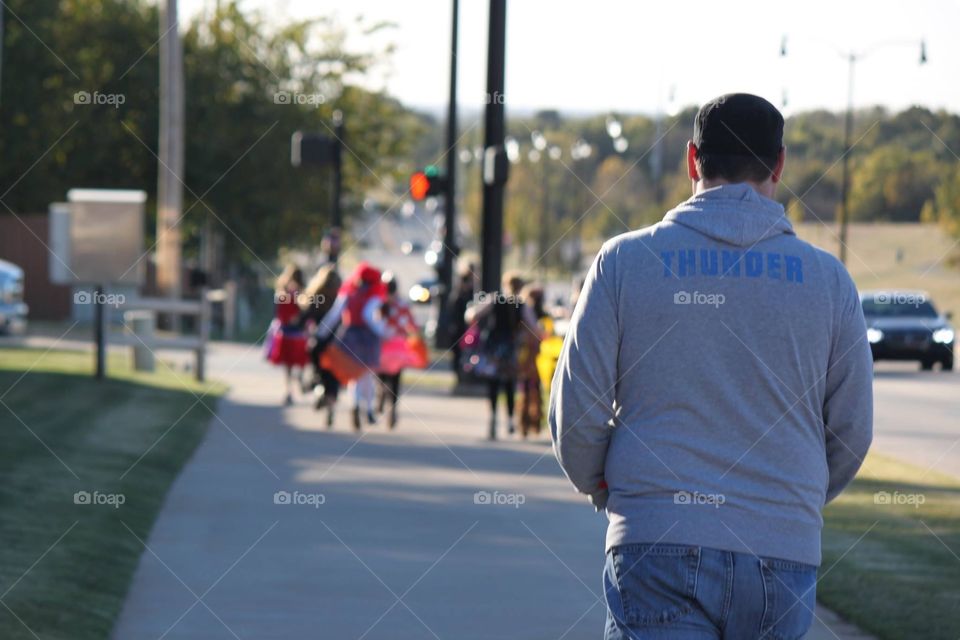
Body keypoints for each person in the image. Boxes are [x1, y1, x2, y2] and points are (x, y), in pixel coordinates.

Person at [549, 94, 873, 640]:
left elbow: (576, 413)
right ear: (778, 164)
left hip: (656, 536)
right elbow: (851, 429)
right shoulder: (829, 280)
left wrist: (612, 490)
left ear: (692, 160)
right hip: (781, 547)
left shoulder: (625, 262)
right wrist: (789, 499)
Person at [316, 262, 387, 431]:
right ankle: (368, 409)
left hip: (349, 336)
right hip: (368, 339)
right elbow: (369, 316)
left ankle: (354, 405)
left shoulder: (348, 293)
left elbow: (334, 314)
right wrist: (383, 331)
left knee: (352, 374)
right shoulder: (374, 294)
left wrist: (320, 333)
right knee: (367, 375)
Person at [467, 272, 538, 440]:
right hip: (511, 347)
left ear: (505, 284)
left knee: (493, 382)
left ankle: (492, 417)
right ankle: (510, 419)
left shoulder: (494, 299)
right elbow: (534, 327)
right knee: (509, 383)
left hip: (493, 346)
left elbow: (472, 315)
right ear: (520, 287)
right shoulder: (522, 305)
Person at [298, 263, 342, 428]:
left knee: (319, 371)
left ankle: (319, 389)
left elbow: (304, 317)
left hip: (319, 343)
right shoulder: (340, 299)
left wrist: (299, 326)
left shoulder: (316, 297)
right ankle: (331, 403)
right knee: (334, 377)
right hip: (338, 344)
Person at [376, 272, 421, 429]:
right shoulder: (402, 305)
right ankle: (392, 408)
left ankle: (382, 392)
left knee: (381, 375)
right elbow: (413, 325)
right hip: (399, 348)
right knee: (395, 380)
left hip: (382, 346)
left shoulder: (379, 304)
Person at [267, 264, 309, 405]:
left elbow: (277, 313)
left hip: (284, 333)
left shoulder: (281, 293)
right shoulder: (301, 294)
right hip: (299, 334)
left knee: (288, 365)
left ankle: (289, 391)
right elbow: (304, 314)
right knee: (301, 361)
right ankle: (299, 378)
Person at [517, 283, 549, 438]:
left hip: (533, 356)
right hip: (533, 355)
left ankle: (529, 422)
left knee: (528, 389)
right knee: (532, 389)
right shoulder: (532, 314)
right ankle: (529, 422)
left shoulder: (525, 312)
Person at [448, 269, 476, 381]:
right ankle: (458, 375)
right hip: (458, 329)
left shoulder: (471, 295)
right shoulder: (457, 296)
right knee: (458, 353)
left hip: (467, 330)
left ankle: (465, 374)